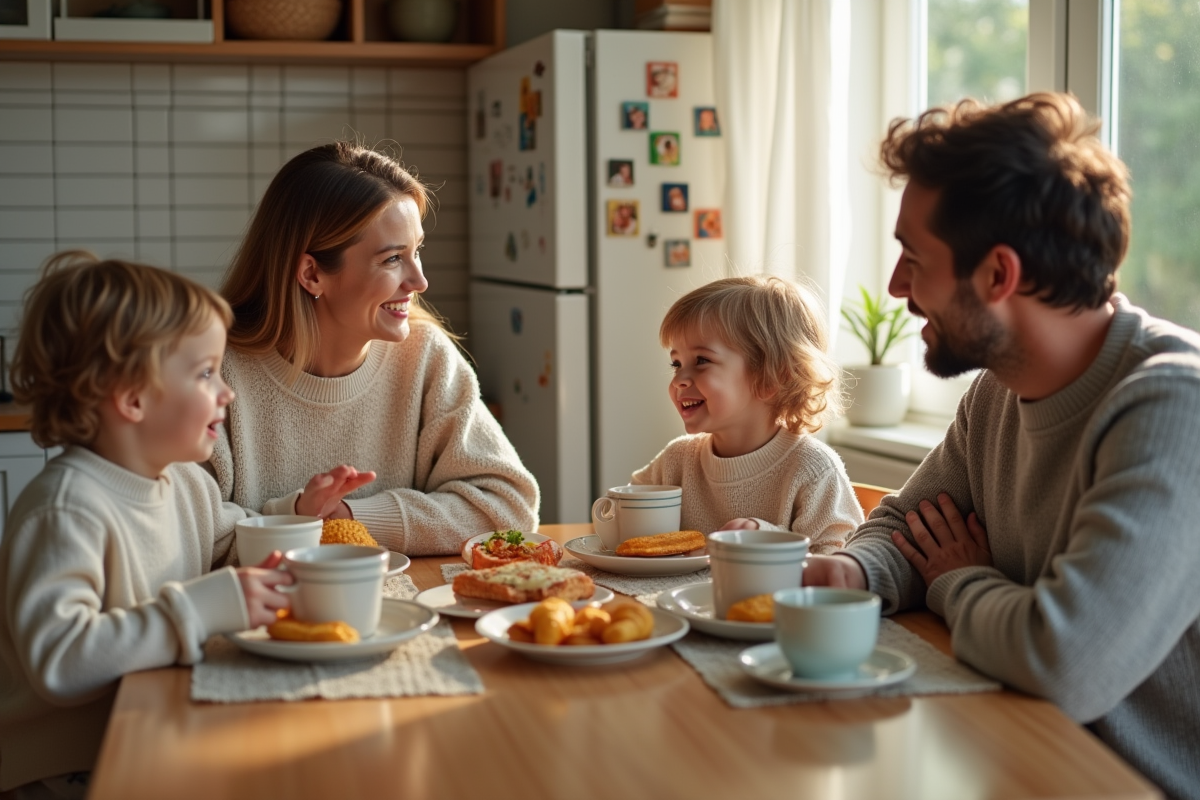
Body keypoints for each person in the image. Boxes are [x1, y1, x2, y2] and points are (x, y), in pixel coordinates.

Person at [804, 93, 1200, 799]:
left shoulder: (1176, 407)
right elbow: (904, 524)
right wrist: (856, 573)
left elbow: (1064, 663)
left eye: (912, 256)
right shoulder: (997, 391)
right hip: (1012, 755)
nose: (897, 287)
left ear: (997, 275)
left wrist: (959, 579)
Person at [0, 253, 296, 798]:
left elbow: (231, 537)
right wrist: (201, 609)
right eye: (206, 373)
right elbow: (61, 659)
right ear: (132, 398)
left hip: (143, 731)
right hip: (57, 771)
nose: (226, 391)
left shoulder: (184, 482)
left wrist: (296, 516)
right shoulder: (65, 510)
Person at [212, 143, 539, 556]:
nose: (419, 281)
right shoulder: (213, 370)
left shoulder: (425, 357)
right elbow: (188, 533)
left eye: (417, 251)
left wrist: (350, 519)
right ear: (312, 274)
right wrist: (299, 518)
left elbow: (509, 508)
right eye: (392, 259)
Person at [631, 276, 862, 551]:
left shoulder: (813, 469)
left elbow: (835, 564)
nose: (680, 378)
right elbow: (632, 519)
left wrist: (762, 537)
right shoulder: (676, 460)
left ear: (770, 379)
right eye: (676, 363)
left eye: (701, 361)